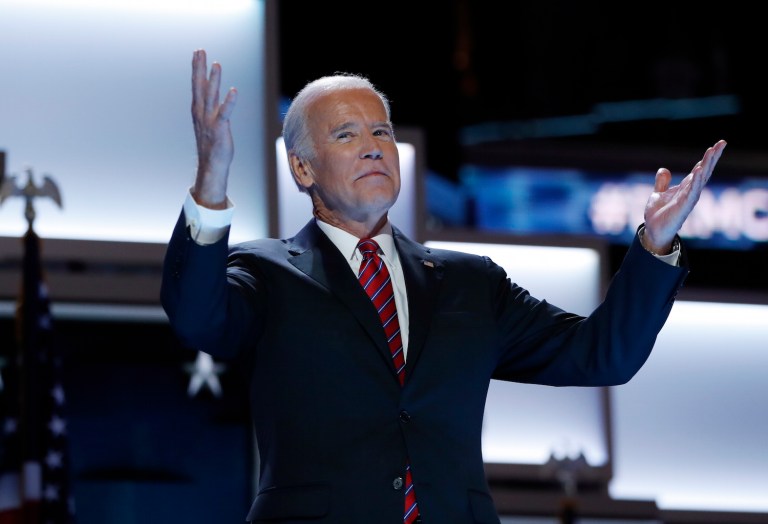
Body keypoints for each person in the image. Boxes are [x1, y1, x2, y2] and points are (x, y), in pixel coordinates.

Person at [160, 49, 726, 523]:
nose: (373, 145)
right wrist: (210, 185)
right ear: (302, 169)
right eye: (346, 134)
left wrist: (654, 245)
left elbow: (603, 355)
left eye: (380, 129)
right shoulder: (267, 273)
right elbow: (195, 316)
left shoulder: (469, 283)